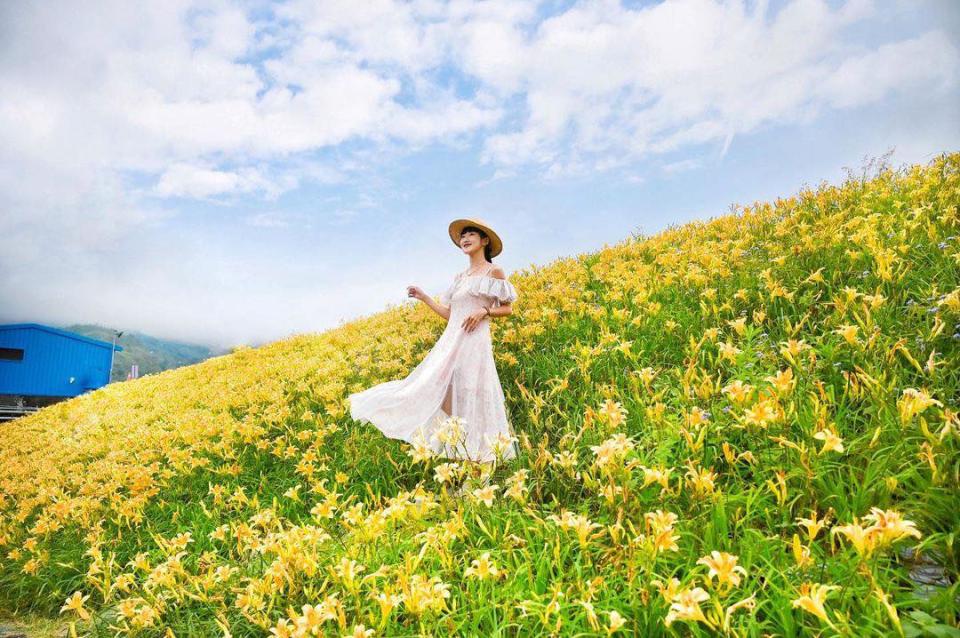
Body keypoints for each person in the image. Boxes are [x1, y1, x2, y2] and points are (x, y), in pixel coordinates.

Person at [347, 217, 520, 467]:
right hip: (451, 342)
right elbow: (452, 315)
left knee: (472, 397)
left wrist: (485, 312)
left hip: (474, 344)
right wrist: (425, 297)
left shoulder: (494, 272)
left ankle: (478, 458)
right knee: (436, 392)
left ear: (484, 241)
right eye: (462, 236)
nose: (465, 238)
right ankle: (466, 452)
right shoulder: (461, 276)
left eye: (471, 234)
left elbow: (508, 309)